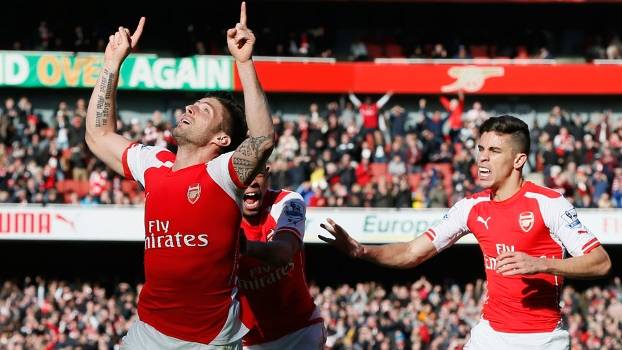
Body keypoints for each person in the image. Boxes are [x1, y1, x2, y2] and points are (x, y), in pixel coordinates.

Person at [319, 115, 611, 350]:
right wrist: (361, 251)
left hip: (542, 339)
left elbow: (600, 261)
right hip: (490, 335)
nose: (482, 158)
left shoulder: (549, 203)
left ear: (519, 160)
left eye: (494, 151)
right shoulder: (471, 207)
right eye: (480, 149)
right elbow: (412, 252)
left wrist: (543, 264)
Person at [85, 3, 275, 349]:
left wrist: (244, 64)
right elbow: (98, 135)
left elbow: (262, 140)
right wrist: (111, 65)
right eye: (193, 104)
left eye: (204, 110)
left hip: (208, 339)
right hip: (148, 331)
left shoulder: (222, 173)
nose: (190, 108)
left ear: (221, 139)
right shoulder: (154, 164)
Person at [237, 166, 325, 349]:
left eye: (258, 173)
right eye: (243, 173)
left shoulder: (288, 202)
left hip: (300, 330)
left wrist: (241, 247)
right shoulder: (220, 210)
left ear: (268, 174)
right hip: (251, 341)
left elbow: (284, 252)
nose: (251, 181)